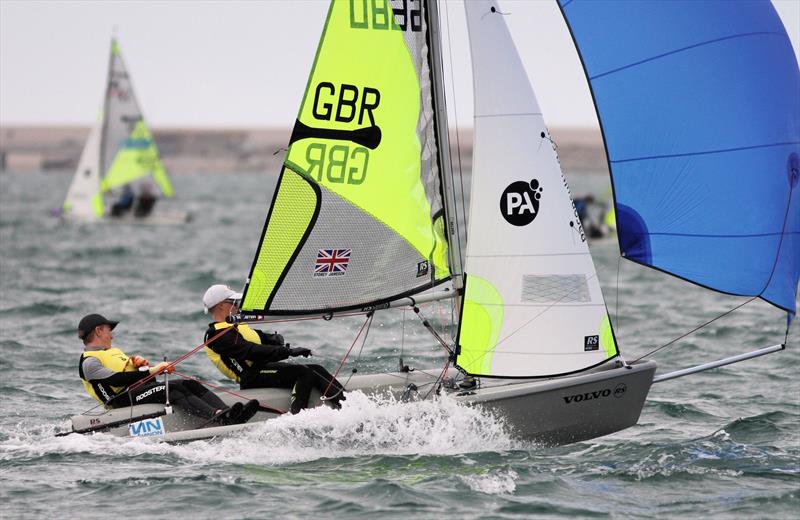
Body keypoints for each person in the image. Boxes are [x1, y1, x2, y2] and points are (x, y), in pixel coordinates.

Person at [77, 313, 259, 425]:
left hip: (137, 391)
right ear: (99, 331)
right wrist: (151, 370)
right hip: (122, 400)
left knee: (190, 383)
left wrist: (140, 363)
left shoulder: (108, 353)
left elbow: (130, 373)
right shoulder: (89, 362)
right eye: (109, 330)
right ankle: (218, 416)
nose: (112, 335)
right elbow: (115, 380)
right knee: (172, 389)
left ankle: (230, 413)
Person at [202, 284, 346, 414]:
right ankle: (297, 416)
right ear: (221, 305)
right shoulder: (216, 334)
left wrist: (274, 340)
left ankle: (349, 406)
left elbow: (260, 339)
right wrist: (287, 352)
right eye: (233, 302)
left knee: (317, 369)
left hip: (263, 368)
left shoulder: (235, 325)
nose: (237, 306)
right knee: (303, 373)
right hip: (250, 377)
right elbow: (250, 351)